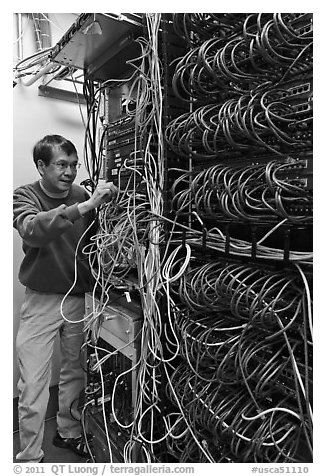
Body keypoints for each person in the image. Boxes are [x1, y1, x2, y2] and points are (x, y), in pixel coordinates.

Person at [13, 134, 117, 463]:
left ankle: (68, 431)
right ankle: (29, 457)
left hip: (77, 298)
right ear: (41, 166)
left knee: (75, 371)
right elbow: (33, 230)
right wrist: (85, 206)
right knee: (33, 382)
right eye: (61, 165)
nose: (69, 172)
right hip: (42, 301)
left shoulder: (83, 194)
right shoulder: (24, 196)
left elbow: (105, 236)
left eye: (74, 165)